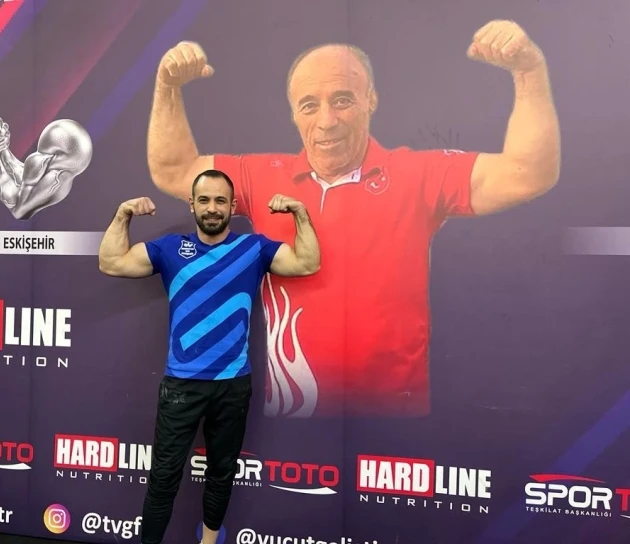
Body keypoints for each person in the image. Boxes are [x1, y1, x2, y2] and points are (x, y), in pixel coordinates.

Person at [145, 20, 561, 419]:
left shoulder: (418, 174)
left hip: (395, 420)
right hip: (292, 415)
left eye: (342, 100)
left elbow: (528, 173)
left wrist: (529, 71)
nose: (326, 121)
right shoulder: (260, 176)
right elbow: (175, 170)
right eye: (310, 105)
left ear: (371, 100)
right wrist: (167, 87)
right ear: (293, 114)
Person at [97, 169, 320, 544]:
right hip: (182, 386)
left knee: (221, 473)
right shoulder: (170, 249)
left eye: (220, 200)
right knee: (163, 478)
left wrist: (300, 213)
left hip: (233, 386)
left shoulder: (254, 249)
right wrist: (123, 215)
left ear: (232, 206)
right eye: (204, 200)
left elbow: (307, 263)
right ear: (192, 205)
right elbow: (111, 262)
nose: (212, 208)